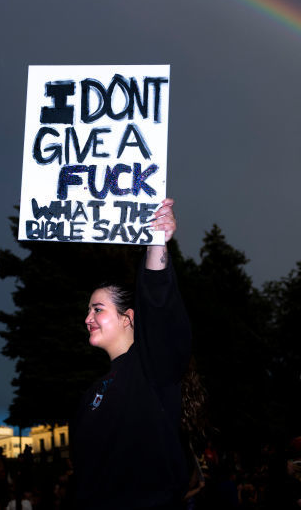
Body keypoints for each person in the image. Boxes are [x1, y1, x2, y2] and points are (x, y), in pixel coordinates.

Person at [72, 198, 191, 510]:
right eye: (88, 310)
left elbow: (158, 301)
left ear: (128, 317)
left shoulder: (153, 367)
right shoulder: (92, 393)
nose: (87, 318)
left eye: (98, 309)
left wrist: (156, 241)